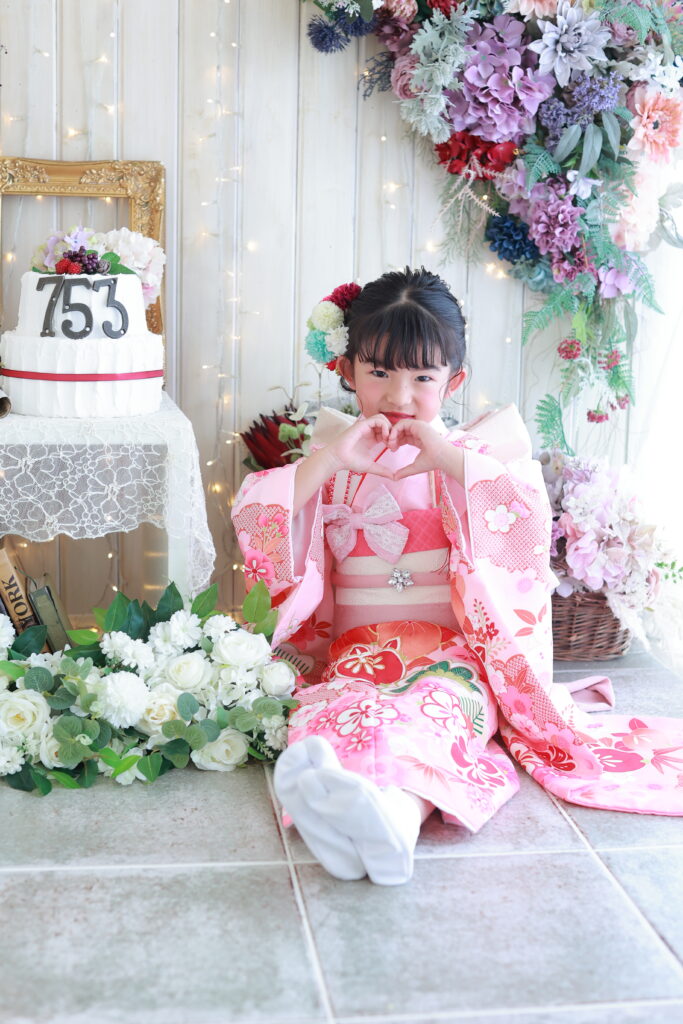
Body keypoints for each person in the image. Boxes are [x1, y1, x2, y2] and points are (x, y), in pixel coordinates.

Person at [232, 267, 683, 886]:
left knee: (436, 713)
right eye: (379, 372)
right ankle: (353, 813)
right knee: (342, 709)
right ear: (347, 371)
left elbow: (523, 518)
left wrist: (446, 458)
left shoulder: (471, 458)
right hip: (357, 653)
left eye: (423, 377)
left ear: (454, 380)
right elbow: (259, 510)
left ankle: (394, 817)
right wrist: (332, 458)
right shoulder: (332, 456)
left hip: (452, 656)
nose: (399, 395)